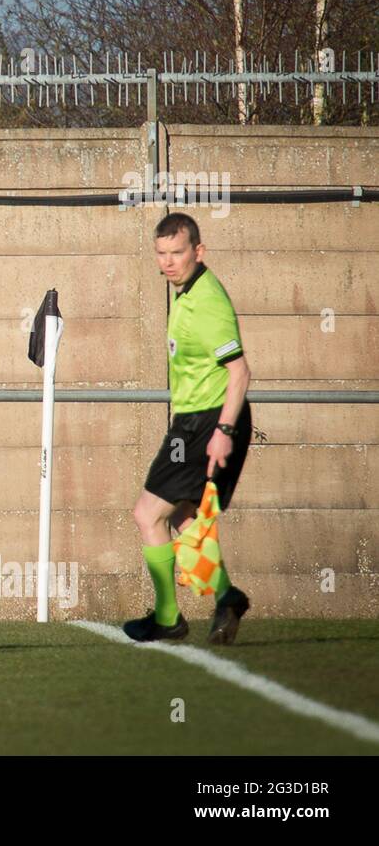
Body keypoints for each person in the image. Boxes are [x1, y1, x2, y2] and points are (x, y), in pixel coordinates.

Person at [126, 213, 253, 645]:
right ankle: (226, 596)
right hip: (193, 421)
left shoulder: (208, 302)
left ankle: (168, 619)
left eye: (177, 253)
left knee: (147, 515)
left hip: (207, 422)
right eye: (161, 254)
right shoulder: (184, 294)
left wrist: (223, 431)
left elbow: (240, 373)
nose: (168, 262)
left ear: (198, 252)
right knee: (184, 517)